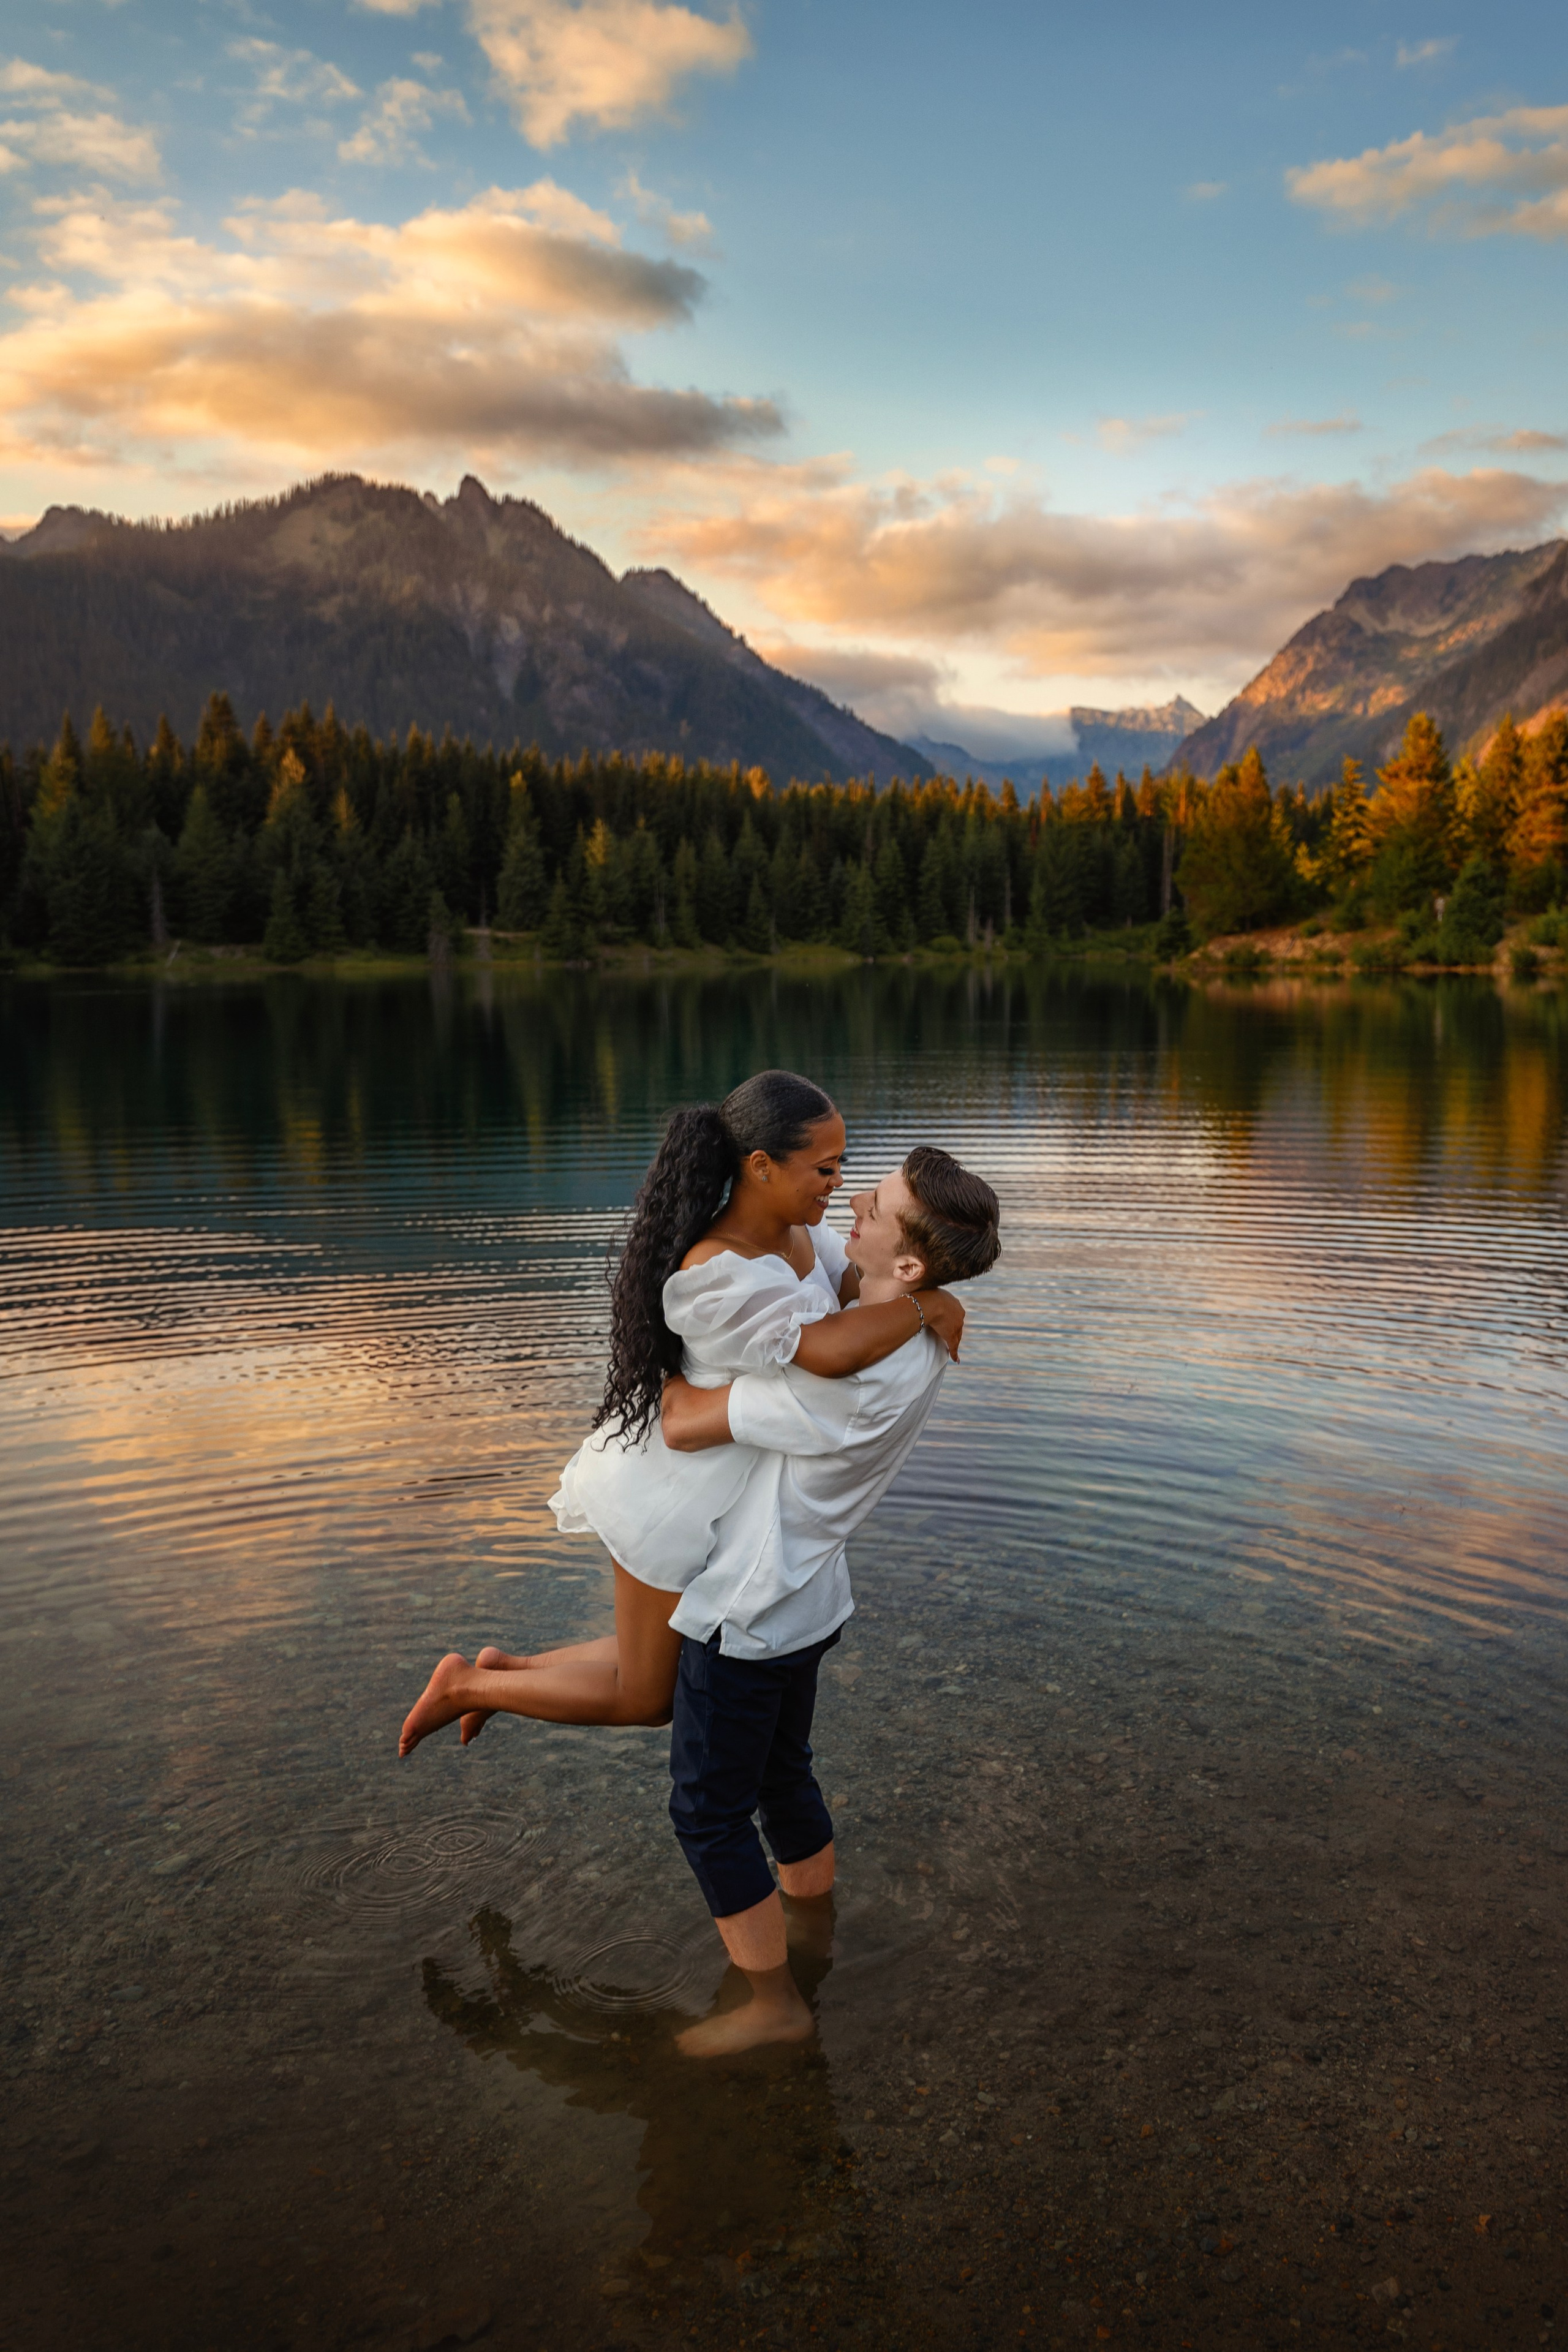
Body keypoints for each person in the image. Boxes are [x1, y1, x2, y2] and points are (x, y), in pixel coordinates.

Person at [397, 1071, 966, 1756]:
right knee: (647, 1698)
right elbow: (824, 1347)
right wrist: (926, 1306)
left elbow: (853, 1292)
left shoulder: (796, 1236)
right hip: (667, 1494)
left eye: (840, 1165)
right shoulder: (718, 1275)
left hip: (718, 1493)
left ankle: (502, 1672)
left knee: (659, 1662)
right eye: (823, 1167)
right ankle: (468, 1687)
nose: (837, 1185)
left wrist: (912, 1281)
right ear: (760, 1165)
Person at [655, 1144, 1001, 2056]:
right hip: (809, 1601)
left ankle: (773, 2003)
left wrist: (664, 1357)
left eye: (875, 1205)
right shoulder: (911, 1331)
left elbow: (684, 1422)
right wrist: (933, 1299)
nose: (850, 1202)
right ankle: (812, 1929)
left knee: (707, 1813)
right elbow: (845, 1284)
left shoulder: (835, 1387)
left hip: (752, 1610)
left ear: (911, 1262)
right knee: (783, 1776)